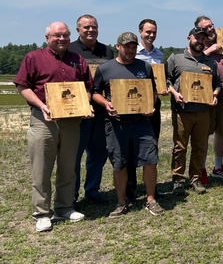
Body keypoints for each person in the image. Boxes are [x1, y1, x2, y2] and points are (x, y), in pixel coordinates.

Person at [15, 22, 92, 232]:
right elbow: (23, 86)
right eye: (57, 35)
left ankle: (64, 208)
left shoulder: (77, 59)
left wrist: (86, 105)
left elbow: (87, 87)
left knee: (68, 167)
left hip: (71, 122)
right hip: (43, 120)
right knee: (41, 169)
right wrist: (42, 106)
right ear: (48, 36)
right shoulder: (33, 57)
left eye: (65, 35)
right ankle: (41, 213)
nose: (62, 39)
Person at [92, 32, 164, 218]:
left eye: (133, 47)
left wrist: (151, 105)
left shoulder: (145, 67)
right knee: (119, 163)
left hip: (142, 123)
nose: (130, 50)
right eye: (126, 47)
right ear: (118, 47)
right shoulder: (105, 68)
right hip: (117, 124)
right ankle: (121, 202)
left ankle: (150, 199)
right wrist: (105, 103)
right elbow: (95, 92)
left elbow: (153, 91)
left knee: (150, 161)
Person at [166, 27, 220, 195]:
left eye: (203, 38)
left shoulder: (210, 62)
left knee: (200, 146)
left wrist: (216, 95)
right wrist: (175, 94)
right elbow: (166, 81)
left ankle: (195, 179)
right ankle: (178, 180)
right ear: (189, 38)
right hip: (182, 111)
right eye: (197, 37)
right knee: (180, 147)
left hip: (203, 112)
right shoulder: (176, 58)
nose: (200, 41)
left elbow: (217, 84)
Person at [68, 14, 113, 206]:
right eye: (86, 27)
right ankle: (71, 195)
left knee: (98, 153)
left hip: (102, 110)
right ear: (78, 29)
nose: (90, 30)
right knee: (74, 155)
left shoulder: (108, 51)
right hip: (77, 111)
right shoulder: (69, 50)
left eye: (93, 27)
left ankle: (92, 190)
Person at [196, 16, 223, 183]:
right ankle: (202, 169)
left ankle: (218, 167)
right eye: (206, 28)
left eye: (211, 26)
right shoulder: (199, 45)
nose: (210, 29)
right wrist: (210, 50)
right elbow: (193, 61)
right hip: (207, 95)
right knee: (205, 133)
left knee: (221, 130)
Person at [129, 18, 168, 201]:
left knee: (152, 144)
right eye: (148, 32)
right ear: (140, 32)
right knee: (130, 146)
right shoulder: (132, 52)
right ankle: (130, 187)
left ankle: (150, 187)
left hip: (154, 103)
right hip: (134, 103)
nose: (151, 35)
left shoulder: (159, 55)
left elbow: (160, 79)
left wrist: (164, 89)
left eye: (154, 32)